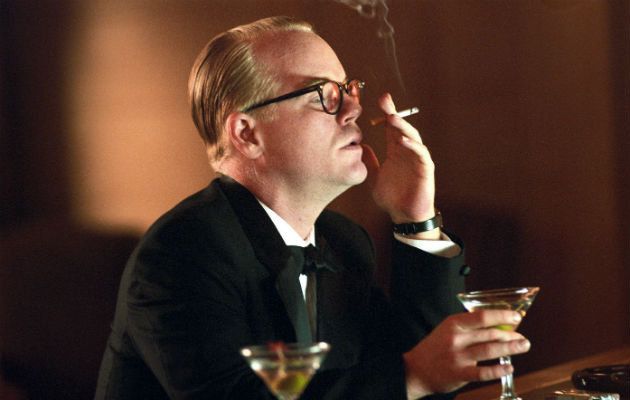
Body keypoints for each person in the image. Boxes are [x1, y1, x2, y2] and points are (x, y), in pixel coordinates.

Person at [94, 16, 530, 400]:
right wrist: (412, 375)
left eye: (348, 89)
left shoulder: (343, 242)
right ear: (247, 134)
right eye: (324, 94)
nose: (354, 108)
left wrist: (416, 220)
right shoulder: (182, 252)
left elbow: (426, 382)